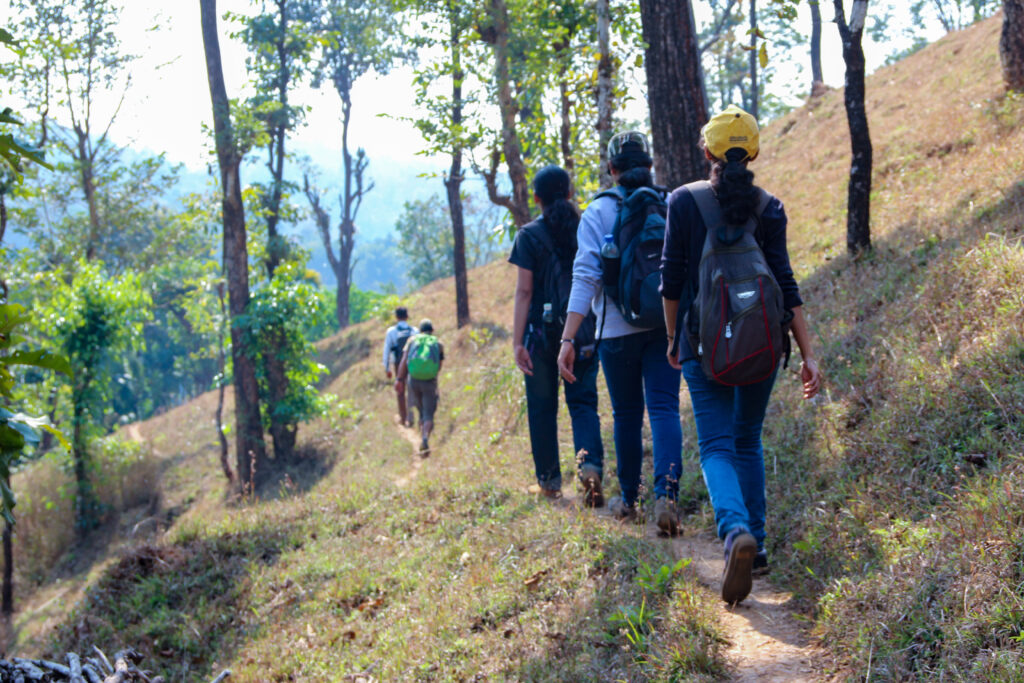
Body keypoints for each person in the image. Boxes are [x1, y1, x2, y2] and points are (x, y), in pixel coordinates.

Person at [660, 104, 822, 604]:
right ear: (753, 153)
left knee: (715, 445)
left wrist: (673, 339)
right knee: (747, 440)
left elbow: (671, 281)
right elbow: (786, 285)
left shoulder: (683, 202)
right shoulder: (770, 206)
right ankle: (761, 544)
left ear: (706, 150)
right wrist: (809, 354)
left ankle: (734, 533)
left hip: (703, 344)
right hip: (764, 345)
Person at [557, 131, 684, 535]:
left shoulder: (597, 212)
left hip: (615, 330)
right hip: (666, 325)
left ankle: (630, 500)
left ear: (611, 169)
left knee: (627, 414)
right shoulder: (669, 204)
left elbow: (585, 278)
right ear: (648, 164)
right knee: (664, 408)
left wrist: (567, 339)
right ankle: (667, 495)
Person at [509, 165, 604, 502]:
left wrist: (517, 341)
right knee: (583, 404)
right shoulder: (585, 229)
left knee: (542, 407)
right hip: (581, 331)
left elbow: (523, 292)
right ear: (569, 193)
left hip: (540, 336)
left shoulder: (529, 235)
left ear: (536, 199)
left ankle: (549, 482)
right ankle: (590, 465)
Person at [396, 319, 444, 454]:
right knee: (429, 413)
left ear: (420, 330)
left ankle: (421, 434)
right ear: (432, 330)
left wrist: (399, 379)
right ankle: (425, 437)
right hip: (430, 381)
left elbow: (404, 361)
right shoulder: (438, 343)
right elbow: (439, 365)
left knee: (421, 411)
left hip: (414, 380)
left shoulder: (412, 341)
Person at [383, 307, 417, 426]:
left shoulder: (391, 331)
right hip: (412, 363)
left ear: (396, 317)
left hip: (398, 364)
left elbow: (386, 351)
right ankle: (411, 416)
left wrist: (387, 368)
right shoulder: (414, 331)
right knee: (411, 389)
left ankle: (403, 418)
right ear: (407, 316)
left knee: (400, 390)